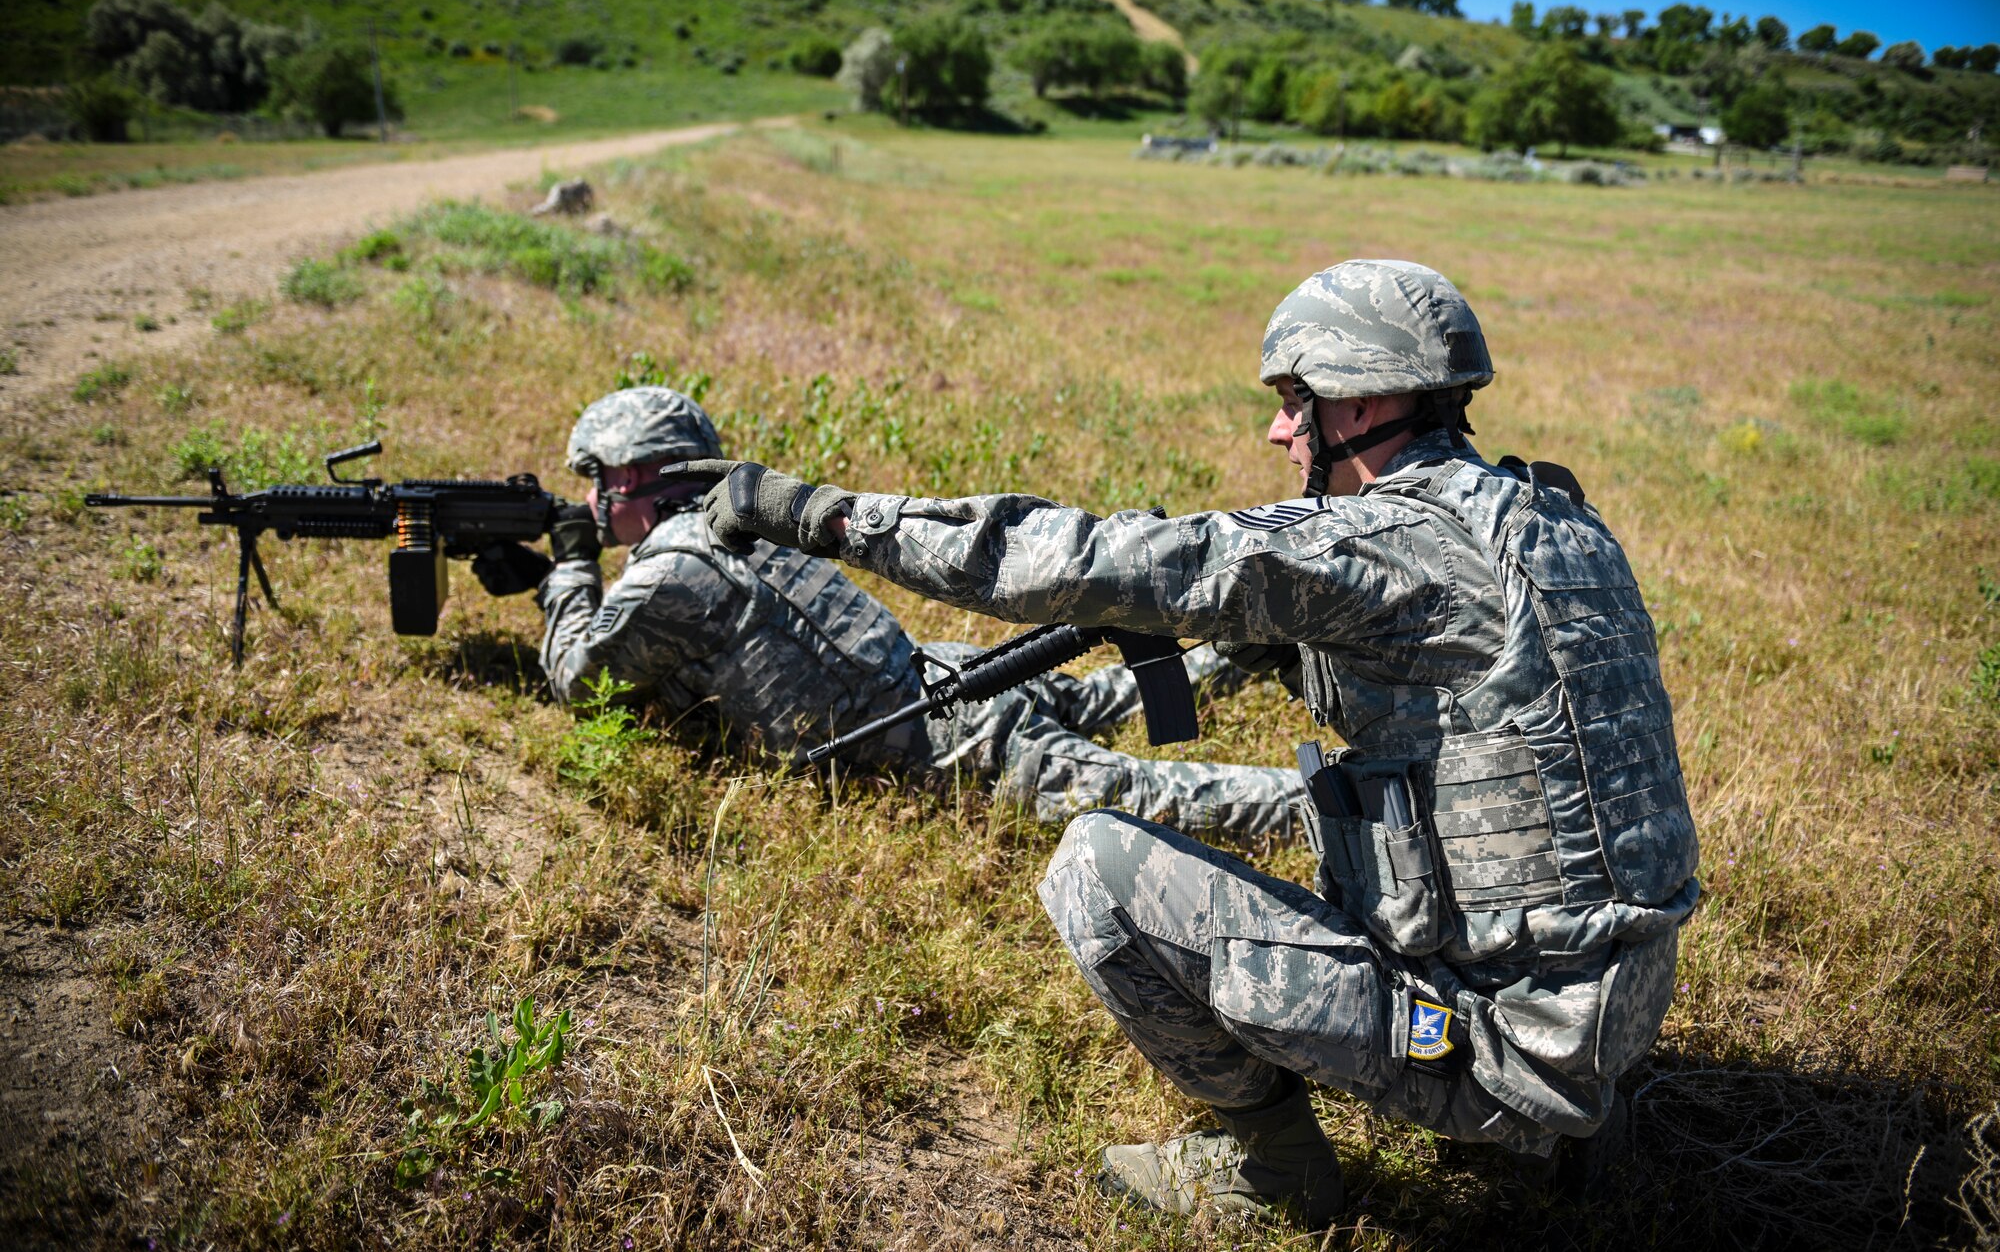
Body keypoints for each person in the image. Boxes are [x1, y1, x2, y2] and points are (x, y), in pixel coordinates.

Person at [686, 260, 1700, 1228]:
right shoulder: (1560, 526)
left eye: (1292, 401)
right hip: (1609, 1013)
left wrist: (811, 513)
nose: (1275, 429)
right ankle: (1555, 1123)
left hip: (1502, 1044)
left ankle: (1276, 1170)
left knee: (1096, 867)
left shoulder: (1379, 542)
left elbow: (1063, 562)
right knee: (1338, 797)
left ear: (1353, 407)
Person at [469, 386, 1305, 839]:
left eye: (596, 482)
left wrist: (570, 571)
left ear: (634, 480)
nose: (586, 497)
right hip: (944, 674)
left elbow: (583, 682)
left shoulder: (675, 571)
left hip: (941, 738)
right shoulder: (745, 517)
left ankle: (1333, 804)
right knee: (1095, 702)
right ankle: (1245, 652)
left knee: (1146, 795)